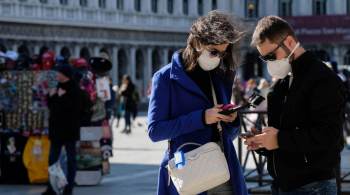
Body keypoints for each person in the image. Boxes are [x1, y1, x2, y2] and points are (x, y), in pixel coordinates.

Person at [147, 10, 247, 195]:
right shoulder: (164, 77)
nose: (218, 58)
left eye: (223, 54)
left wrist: (231, 120)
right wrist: (201, 118)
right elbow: (155, 131)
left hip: (222, 170)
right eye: (214, 51)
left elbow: (228, 136)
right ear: (197, 42)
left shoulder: (220, 76)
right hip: (186, 169)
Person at [244, 15, 347, 195]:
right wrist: (263, 142)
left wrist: (278, 139)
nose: (269, 63)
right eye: (264, 59)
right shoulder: (283, 82)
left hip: (314, 186)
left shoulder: (322, 78)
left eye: (271, 55)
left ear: (290, 42)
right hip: (282, 185)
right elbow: (286, 132)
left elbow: (330, 138)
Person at [42, 64, 81, 195]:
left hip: (69, 130)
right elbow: (52, 106)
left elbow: (74, 109)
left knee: (71, 160)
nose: (56, 75)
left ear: (65, 75)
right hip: (56, 130)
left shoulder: (74, 89)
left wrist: (61, 97)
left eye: (58, 73)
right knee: (52, 159)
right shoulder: (57, 87)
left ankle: (68, 189)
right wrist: (51, 95)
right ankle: (52, 187)